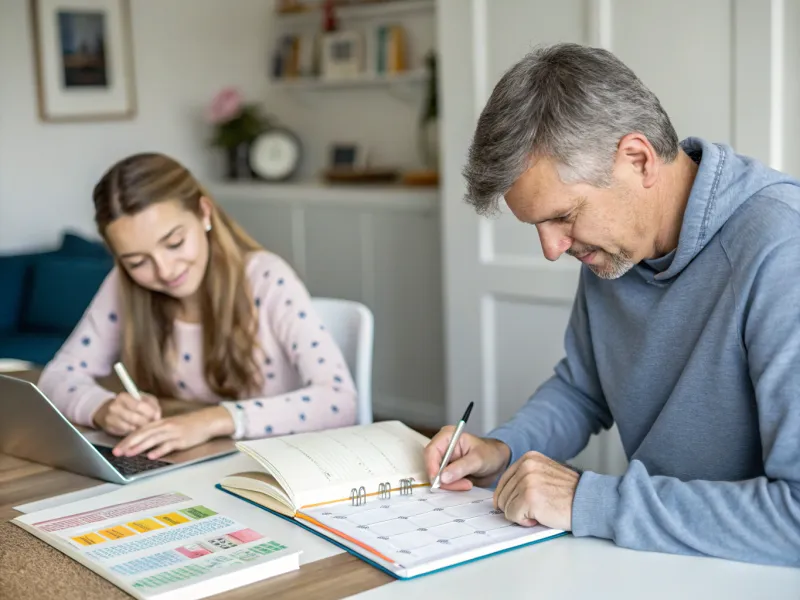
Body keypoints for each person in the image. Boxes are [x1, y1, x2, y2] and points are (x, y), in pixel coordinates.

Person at [424, 42, 800, 567]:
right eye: (538, 226)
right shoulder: (618, 248)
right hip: (663, 558)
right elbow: (583, 389)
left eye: (563, 216)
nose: (553, 249)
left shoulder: (782, 249)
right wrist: (500, 450)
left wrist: (588, 500)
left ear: (638, 159)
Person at [38, 152, 358, 460]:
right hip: (194, 469)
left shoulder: (265, 278)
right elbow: (56, 377)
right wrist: (102, 408)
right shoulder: (123, 286)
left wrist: (211, 420)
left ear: (204, 213)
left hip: (277, 469)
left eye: (174, 243)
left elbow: (339, 401)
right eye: (137, 261)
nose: (164, 270)